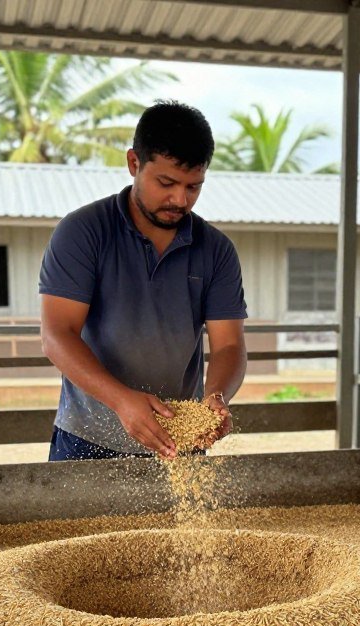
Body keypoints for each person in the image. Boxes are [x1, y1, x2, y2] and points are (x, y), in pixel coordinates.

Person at [39, 101, 247, 461]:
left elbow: (229, 345)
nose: (180, 199)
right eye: (166, 182)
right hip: (87, 438)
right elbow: (57, 335)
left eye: (194, 187)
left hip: (178, 440)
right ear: (134, 163)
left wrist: (216, 398)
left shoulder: (216, 250)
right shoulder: (83, 232)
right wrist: (122, 400)